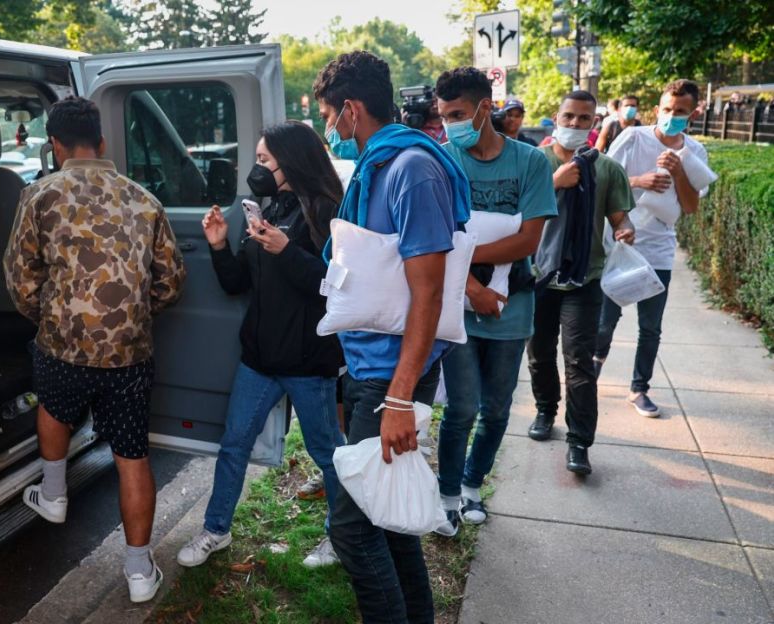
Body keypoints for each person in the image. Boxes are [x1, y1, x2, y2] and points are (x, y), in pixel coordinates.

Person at [4, 96, 186, 603]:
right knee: (132, 456)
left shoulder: (40, 197)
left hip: (61, 346)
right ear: (101, 143)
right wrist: (130, 316)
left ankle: (55, 493)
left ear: (56, 146)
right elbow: (170, 283)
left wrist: (52, 320)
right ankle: (137, 572)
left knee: (55, 408)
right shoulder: (143, 200)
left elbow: (20, 280)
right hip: (128, 353)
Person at [314, 50, 471, 624]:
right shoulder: (380, 165)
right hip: (370, 367)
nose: (329, 128)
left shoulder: (411, 169)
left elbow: (427, 292)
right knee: (387, 516)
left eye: (330, 115)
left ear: (351, 110)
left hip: (389, 376)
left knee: (352, 530)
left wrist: (400, 397)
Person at [176, 121, 347, 571]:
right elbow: (237, 284)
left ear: (290, 163)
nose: (257, 168)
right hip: (259, 359)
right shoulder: (269, 208)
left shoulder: (329, 211)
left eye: (265, 160)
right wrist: (217, 246)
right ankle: (216, 528)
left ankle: (342, 535)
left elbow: (335, 287)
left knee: (328, 453)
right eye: (257, 159)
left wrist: (287, 250)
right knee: (233, 445)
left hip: (310, 362)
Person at [434, 67, 557, 534]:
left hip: (512, 310)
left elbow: (528, 240)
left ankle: (471, 485)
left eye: (459, 114)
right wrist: (472, 287)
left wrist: (463, 254)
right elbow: (434, 239)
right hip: (459, 308)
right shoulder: (443, 160)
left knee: (497, 409)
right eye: (445, 116)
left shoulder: (530, 162)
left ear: (486, 108)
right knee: (462, 407)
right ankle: (446, 494)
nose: (451, 125)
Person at [526, 91, 637, 475]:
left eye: (584, 119)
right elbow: (517, 214)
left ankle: (579, 443)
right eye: (569, 117)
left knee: (578, 363)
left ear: (594, 123)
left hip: (584, 279)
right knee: (539, 355)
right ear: (555, 117)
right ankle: (544, 410)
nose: (575, 124)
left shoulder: (606, 168)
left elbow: (619, 215)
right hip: (538, 276)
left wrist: (625, 228)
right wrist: (555, 182)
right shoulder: (533, 163)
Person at [595, 79, 710, 418]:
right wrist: (638, 181)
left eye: (680, 112)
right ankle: (590, 373)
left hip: (658, 248)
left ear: (693, 114)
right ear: (657, 109)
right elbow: (603, 179)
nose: (672, 116)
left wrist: (678, 174)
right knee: (605, 320)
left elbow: (690, 207)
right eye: (667, 110)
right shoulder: (633, 138)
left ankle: (639, 388)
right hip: (617, 242)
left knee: (651, 327)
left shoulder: (694, 152)